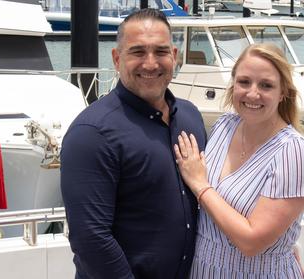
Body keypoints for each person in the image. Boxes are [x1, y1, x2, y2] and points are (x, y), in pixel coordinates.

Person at [60, 8, 207, 279]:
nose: (150, 63)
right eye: (138, 52)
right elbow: (91, 240)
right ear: (117, 59)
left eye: (161, 52)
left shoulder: (190, 117)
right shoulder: (92, 133)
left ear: (174, 56)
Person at [174, 43, 304, 278]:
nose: (253, 94)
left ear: (283, 91)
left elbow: (251, 242)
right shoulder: (225, 126)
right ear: (233, 84)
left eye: (266, 85)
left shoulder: (295, 152)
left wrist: (200, 185)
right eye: (244, 82)